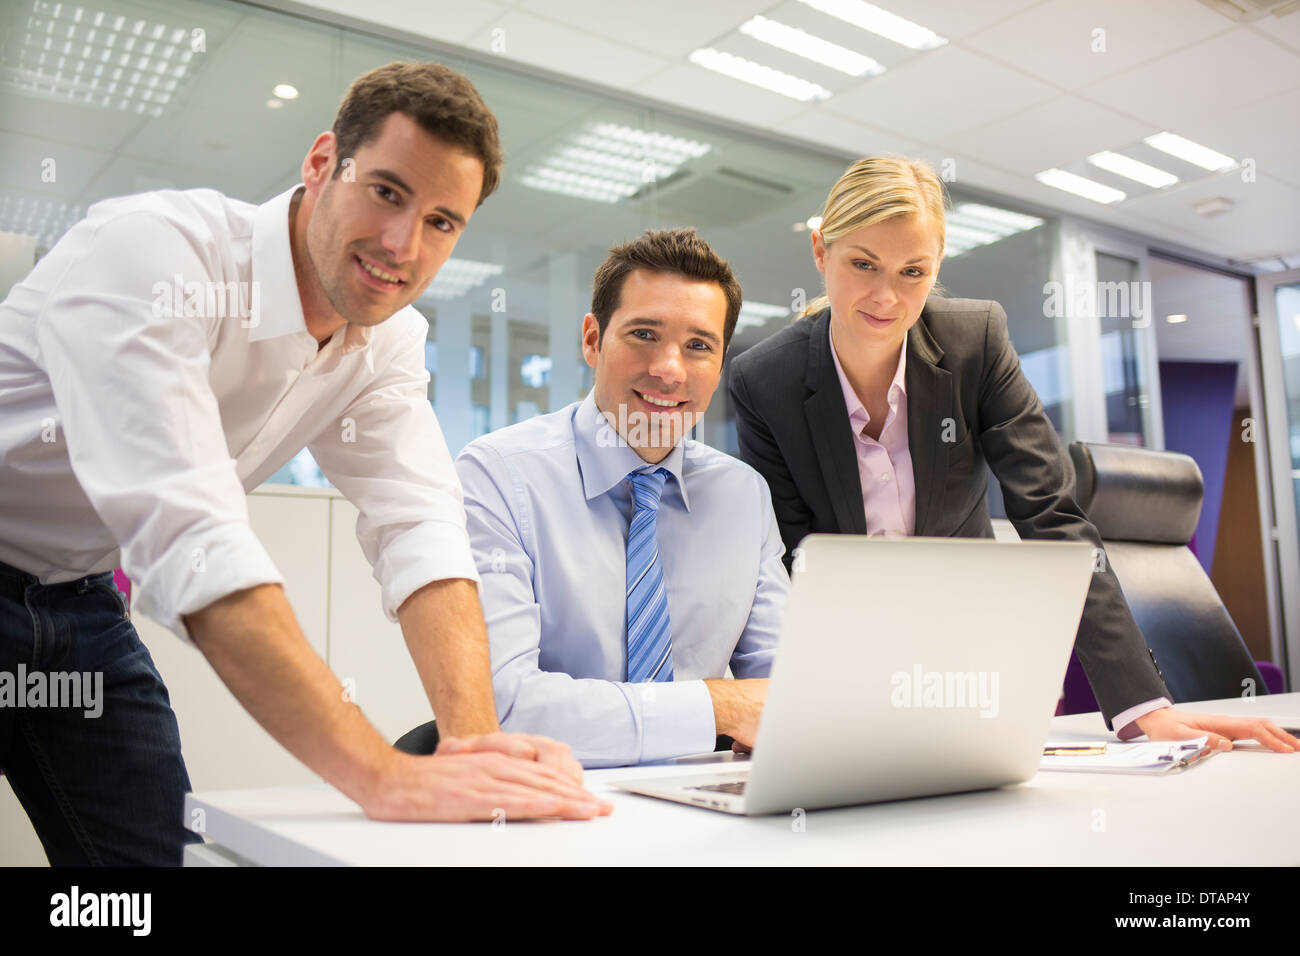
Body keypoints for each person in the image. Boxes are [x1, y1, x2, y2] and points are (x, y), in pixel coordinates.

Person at [0, 61, 609, 866]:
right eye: (387, 192)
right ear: (323, 162)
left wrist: (474, 746)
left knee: (149, 871)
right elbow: (191, 537)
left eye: (441, 221)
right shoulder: (156, 254)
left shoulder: (388, 341)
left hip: (75, 606)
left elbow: (422, 528)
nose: (403, 246)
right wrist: (382, 777)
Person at [728, 156, 1298, 754]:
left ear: (938, 265)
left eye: (912, 271)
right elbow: (792, 562)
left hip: (969, 656)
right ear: (821, 251)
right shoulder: (767, 380)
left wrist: (1141, 706)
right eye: (862, 264)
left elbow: (1051, 516)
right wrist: (790, 699)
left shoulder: (974, 343)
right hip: (839, 667)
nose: (886, 297)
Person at [455, 229, 788, 767]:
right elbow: (503, 707)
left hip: (701, 807)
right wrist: (716, 704)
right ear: (592, 339)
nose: (669, 369)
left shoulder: (742, 495)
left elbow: (788, 691)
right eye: (644, 334)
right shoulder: (497, 476)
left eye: (699, 346)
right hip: (552, 807)